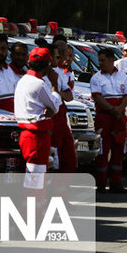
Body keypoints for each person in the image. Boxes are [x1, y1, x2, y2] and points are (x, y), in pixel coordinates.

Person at [13, 47, 61, 192]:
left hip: (27, 133)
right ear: (47, 65)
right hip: (37, 137)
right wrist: (55, 86)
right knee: (36, 182)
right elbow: (55, 106)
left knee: (32, 179)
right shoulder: (39, 84)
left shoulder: (23, 81)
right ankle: (34, 213)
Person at [90, 48, 127, 193]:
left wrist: (119, 109)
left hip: (119, 118)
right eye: (99, 60)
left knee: (119, 150)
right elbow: (98, 98)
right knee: (102, 151)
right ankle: (101, 183)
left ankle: (116, 182)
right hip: (104, 118)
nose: (100, 63)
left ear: (111, 60)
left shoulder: (123, 76)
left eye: (103, 60)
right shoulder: (96, 78)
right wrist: (112, 109)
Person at [48, 37, 78, 173]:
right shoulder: (39, 76)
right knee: (55, 160)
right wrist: (59, 93)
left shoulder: (59, 74)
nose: (59, 57)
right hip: (49, 118)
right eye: (57, 54)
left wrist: (57, 92)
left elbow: (69, 96)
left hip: (61, 118)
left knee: (69, 157)